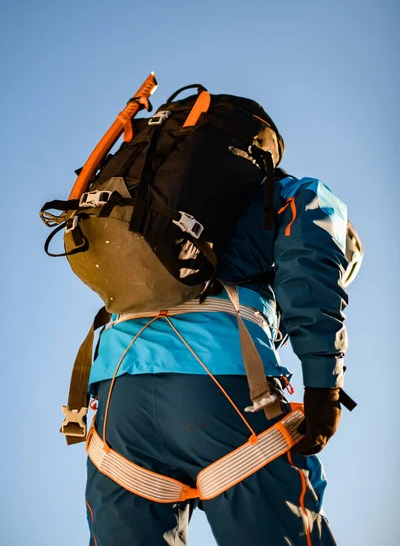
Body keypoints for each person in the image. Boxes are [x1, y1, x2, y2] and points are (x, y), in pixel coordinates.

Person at [84, 156, 349, 545]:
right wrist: (325, 388)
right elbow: (311, 278)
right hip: (223, 386)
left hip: (117, 399)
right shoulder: (298, 194)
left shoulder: (155, 198)